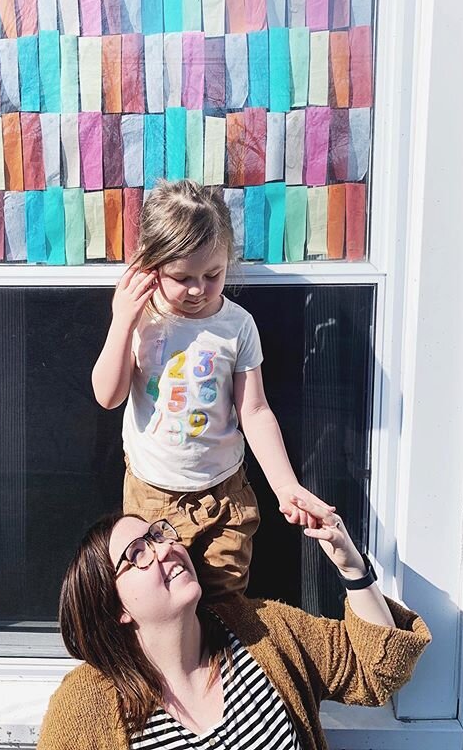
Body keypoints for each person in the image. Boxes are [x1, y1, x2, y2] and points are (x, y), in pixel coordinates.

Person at [92, 179, 333, 599]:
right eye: (181, 276)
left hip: (225, 494)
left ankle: (225, 665)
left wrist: (285, 485)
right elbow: (107, 396)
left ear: (228, 263)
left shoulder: (236, 325)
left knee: (226, 604)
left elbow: (254, 412)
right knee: (162, 604)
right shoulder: (141, 321)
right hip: (154, 495)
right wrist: (121, 319)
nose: (197, 289)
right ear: (149, 267)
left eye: (212, 274)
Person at [37, 501, 430, 750]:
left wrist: (351, 568)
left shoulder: (259, 631)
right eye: (138, 553)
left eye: (159, 535)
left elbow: (377, 669)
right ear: (115, 607)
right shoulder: (87, 706)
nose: (165, 549)